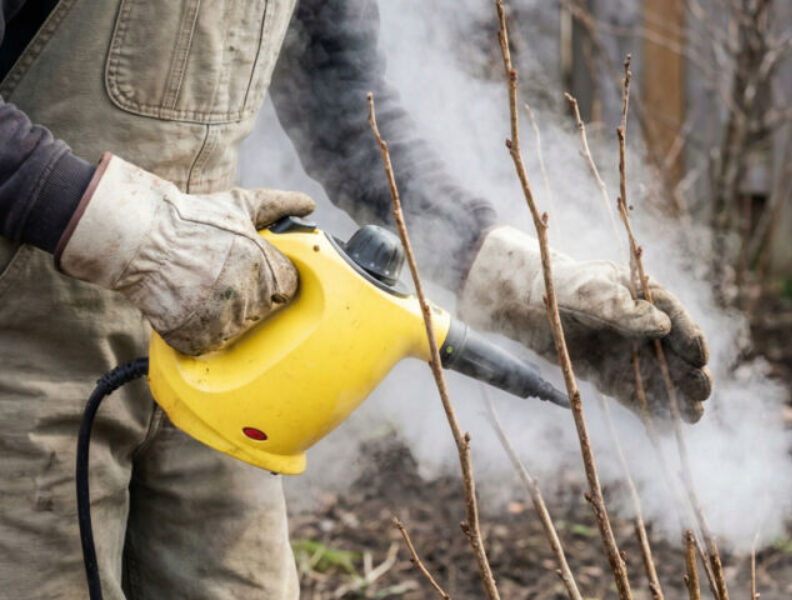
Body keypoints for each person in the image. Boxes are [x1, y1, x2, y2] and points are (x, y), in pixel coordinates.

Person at [0, 0, 712, 597]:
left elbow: (340, 96)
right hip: (24, 354)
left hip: (219, 339)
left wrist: (504, 272)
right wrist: (136, 236)